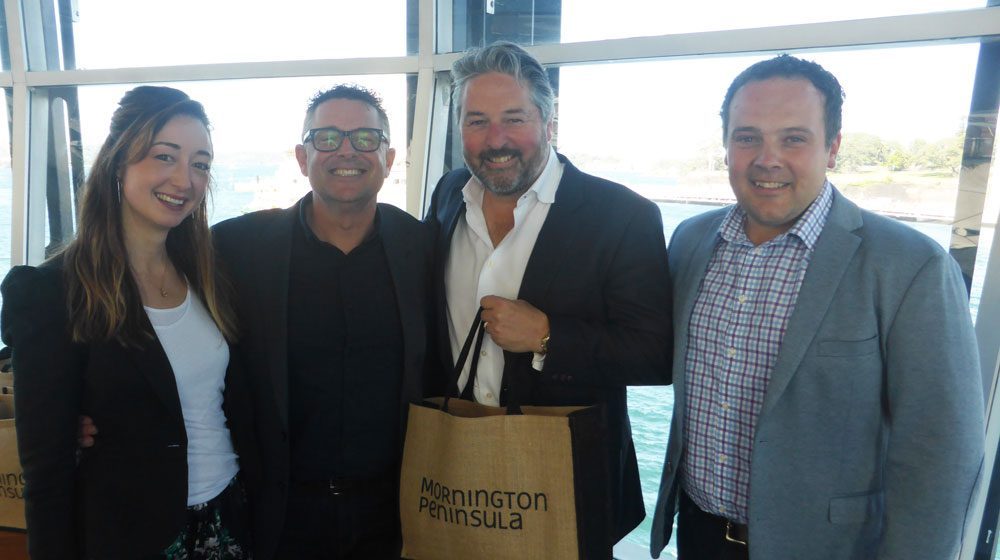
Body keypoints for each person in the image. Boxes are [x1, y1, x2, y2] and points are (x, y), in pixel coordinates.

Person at [649, 54, 986, 559]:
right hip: (698, 535)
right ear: (726, 145)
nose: (767, 159)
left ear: (832, 147)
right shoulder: (691, 241)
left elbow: (941, 452)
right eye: (748, 137)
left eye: (794, 138)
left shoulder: (911, 265)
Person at [425, 41, 673, 545]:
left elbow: (655, 354)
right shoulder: (449, 193)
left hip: (566, 479)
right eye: (477, 121)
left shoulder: (623, 215)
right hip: (455, 468)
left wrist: (547, 337)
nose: (496, 139)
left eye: (514, 119)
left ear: (549, 122)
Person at [1, 86, 257, 559]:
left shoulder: (207, 272)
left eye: (200, 164)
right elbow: (46, 475)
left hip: (228, 517)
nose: (184, 179)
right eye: (165, 156)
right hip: (133, 533)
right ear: (119, 161)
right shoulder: (52, 292)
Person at [211, 85, 433, 559]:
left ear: (389, 159)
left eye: (365, 138)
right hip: (280, 514)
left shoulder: (423, 248)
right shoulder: (236, 248)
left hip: (394, 515)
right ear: (302, 157)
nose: (347, 150)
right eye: (327, 137)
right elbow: (149, 295)